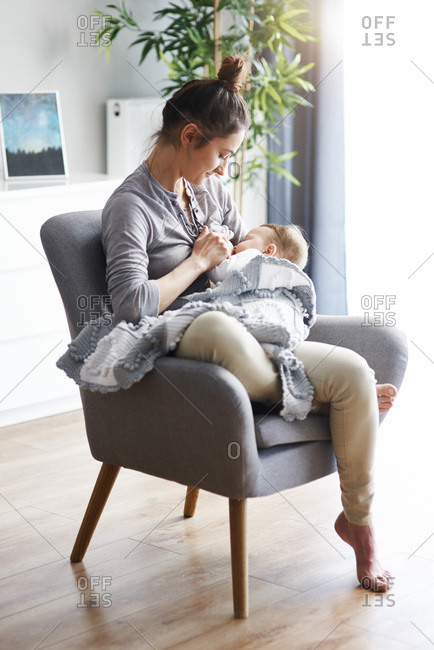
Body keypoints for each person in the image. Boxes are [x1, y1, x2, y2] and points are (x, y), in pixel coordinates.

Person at [101, 55, 397, 592]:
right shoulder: (130, 207)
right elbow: (128, 306)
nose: (223, 170)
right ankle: (329, 400)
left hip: (251, 335)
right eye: (221, 155)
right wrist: (195, 263)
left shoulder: (210, 191)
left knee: (354, 369)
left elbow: (250, 259)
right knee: (217, 330)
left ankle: (359, 525)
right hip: (188, 343)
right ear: (190, 136)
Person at [207, 223, 309, 284]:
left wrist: (226, 246)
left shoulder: (254, 256)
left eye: (245, 240)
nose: (236, 245)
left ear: (268, 251)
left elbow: (218, 274)